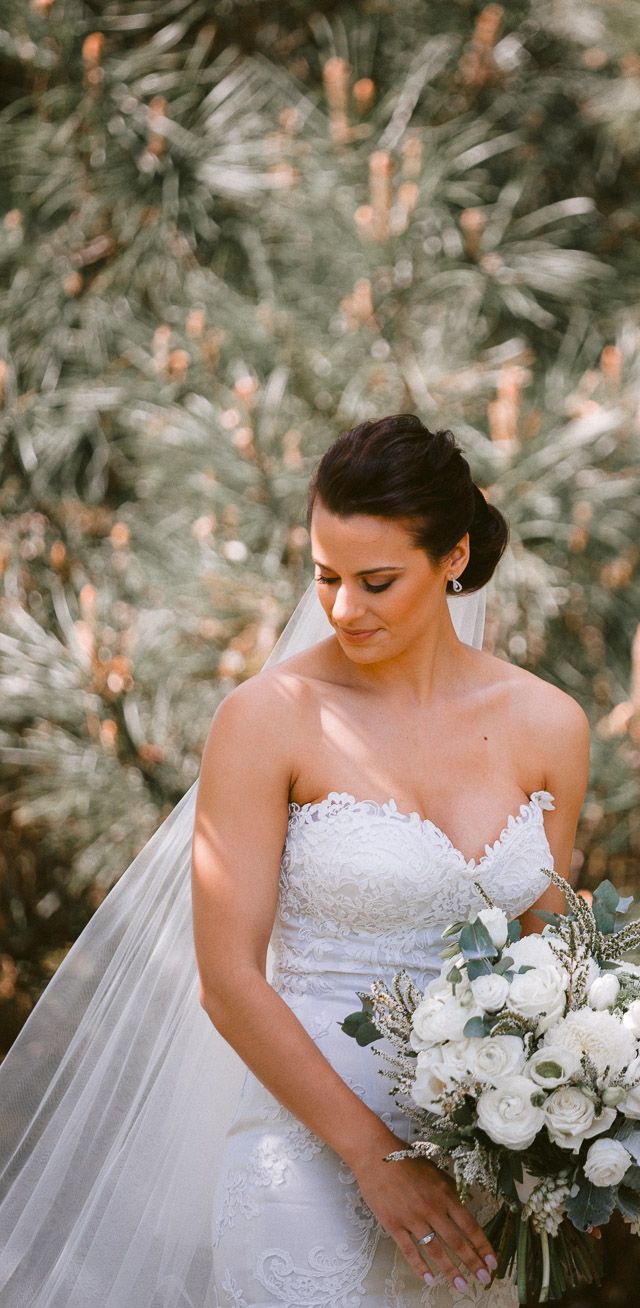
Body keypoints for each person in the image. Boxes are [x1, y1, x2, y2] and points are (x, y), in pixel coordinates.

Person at [0, 410, 588, 1308]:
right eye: (326, 576)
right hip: (302, 1158)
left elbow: (554, 966)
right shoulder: (270, 717)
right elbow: (228, 979)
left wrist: (589, 1100)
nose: (345, 608)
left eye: (378, 581)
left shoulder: (550, 725)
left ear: (454, 558)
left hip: (481, 1171)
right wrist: (374, 1158)